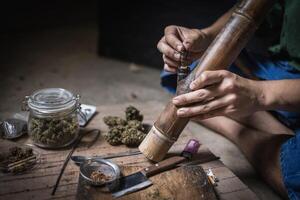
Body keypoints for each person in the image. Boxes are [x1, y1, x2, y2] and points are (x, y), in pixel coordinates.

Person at [157, 1, 300, 200]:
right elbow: (256, 8)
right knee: (191, 75)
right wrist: (205, 36)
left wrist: (261, 94)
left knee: (296, 166)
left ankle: (239, 132)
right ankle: (278, 132)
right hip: (286, 72)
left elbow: (261, 93)